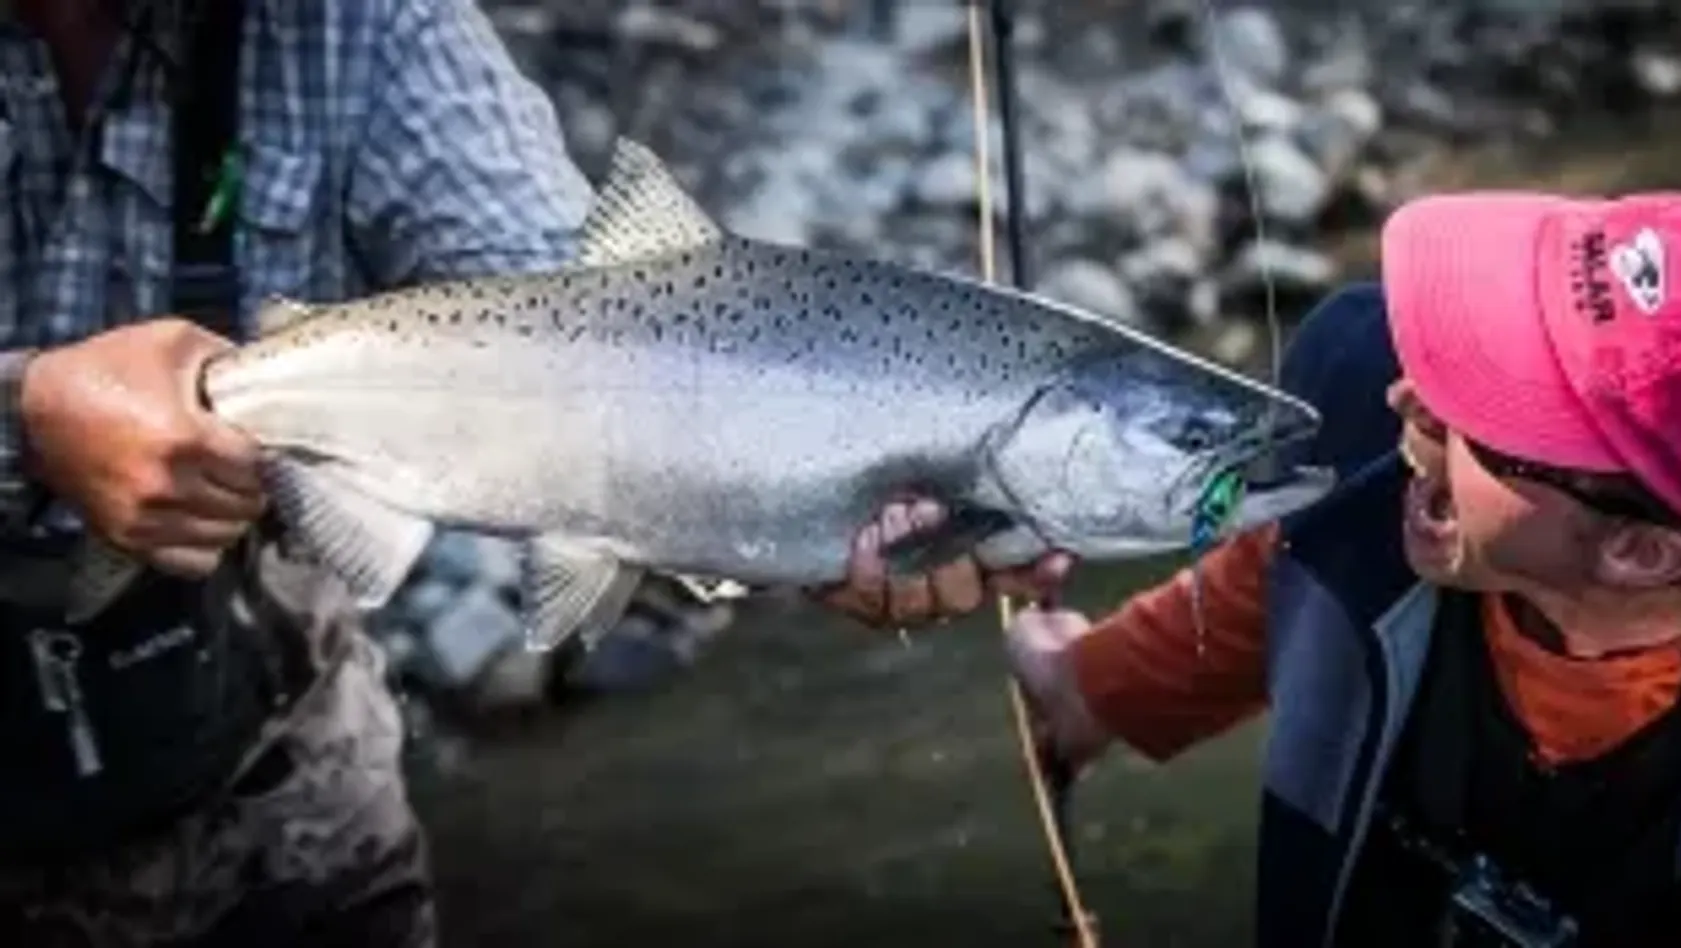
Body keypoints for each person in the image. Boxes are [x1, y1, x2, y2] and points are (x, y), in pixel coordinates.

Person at [0, 1, 1057, 945]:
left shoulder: (365, 23)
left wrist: (801, 494)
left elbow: (570, 310)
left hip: (284, 811)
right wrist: (27, 413)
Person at [980, 191, 1681, 946]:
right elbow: (1288, 577)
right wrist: (1085, 687)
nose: (1409, 401)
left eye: (1486, 407)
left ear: (1640, 550)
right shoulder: (1372, 430)